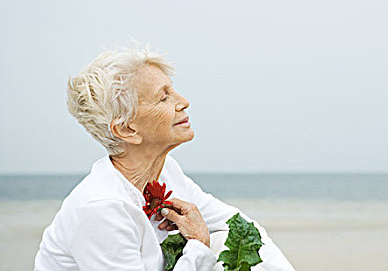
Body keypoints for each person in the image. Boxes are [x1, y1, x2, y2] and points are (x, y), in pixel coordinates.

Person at [34, 43, 295, 271]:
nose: (184, 101)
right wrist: (197, 245)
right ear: (127, 129)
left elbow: (239, 226)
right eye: (163, 97)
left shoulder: (167, 171)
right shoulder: (101, 208)